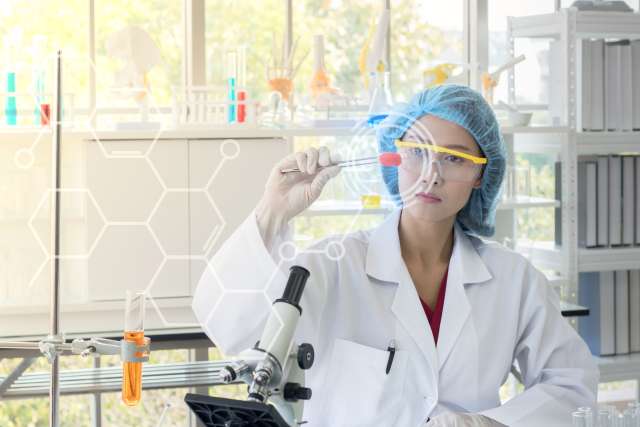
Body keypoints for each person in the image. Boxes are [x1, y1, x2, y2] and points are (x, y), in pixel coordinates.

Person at [192, 85, 598, 427]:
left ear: (480, 175)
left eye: (455, 158)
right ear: (394, 156)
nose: (431, 173)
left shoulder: (514, 280)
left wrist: (487, 424)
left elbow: (571, 383)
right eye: (418, 150)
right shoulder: (331, 266)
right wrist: (273, 210)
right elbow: (230, 328)